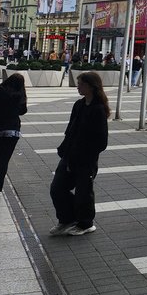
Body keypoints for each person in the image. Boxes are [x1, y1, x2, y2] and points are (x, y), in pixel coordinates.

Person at [50, 71, 109, 236]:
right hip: (69, 155)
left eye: (81, 84)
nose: (78, 86)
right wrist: (64, 150)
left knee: (83, 193)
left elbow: (101, 142)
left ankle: (86, 223)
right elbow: (70, 130)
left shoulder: (98, 110)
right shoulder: (79, 104)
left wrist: (84, 155)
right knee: (57, 188)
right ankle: (67, 219)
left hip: (85, 160)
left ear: (91, 86)